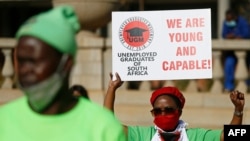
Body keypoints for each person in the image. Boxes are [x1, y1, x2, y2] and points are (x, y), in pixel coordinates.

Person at [0, 6, 126, 141]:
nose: (25, 70)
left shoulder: (103, 127)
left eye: (34, 61)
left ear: (66, 63)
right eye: (21, 61)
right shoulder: (3, 121)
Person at [104, 72, 245, 141]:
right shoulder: (142, 135)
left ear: (179, 112)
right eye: (158, 111)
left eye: (169, 110)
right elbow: (108, 125)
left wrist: (238, 111)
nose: (163, 114)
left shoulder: (195, 136)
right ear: (152, 113)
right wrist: (112, 88)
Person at [222, 9, 250, 92]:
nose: (229, 22)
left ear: (235, 17)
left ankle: (246, 85)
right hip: (231, 51)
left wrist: (238, 36)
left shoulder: (243, 22)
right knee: (229, 64)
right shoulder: (226, 22)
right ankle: (229, 86)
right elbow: (223, 34)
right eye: (227, 20)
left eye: (231, 19)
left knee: (245, 67)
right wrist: (229, 36)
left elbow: (247, 34)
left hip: (245, 52)